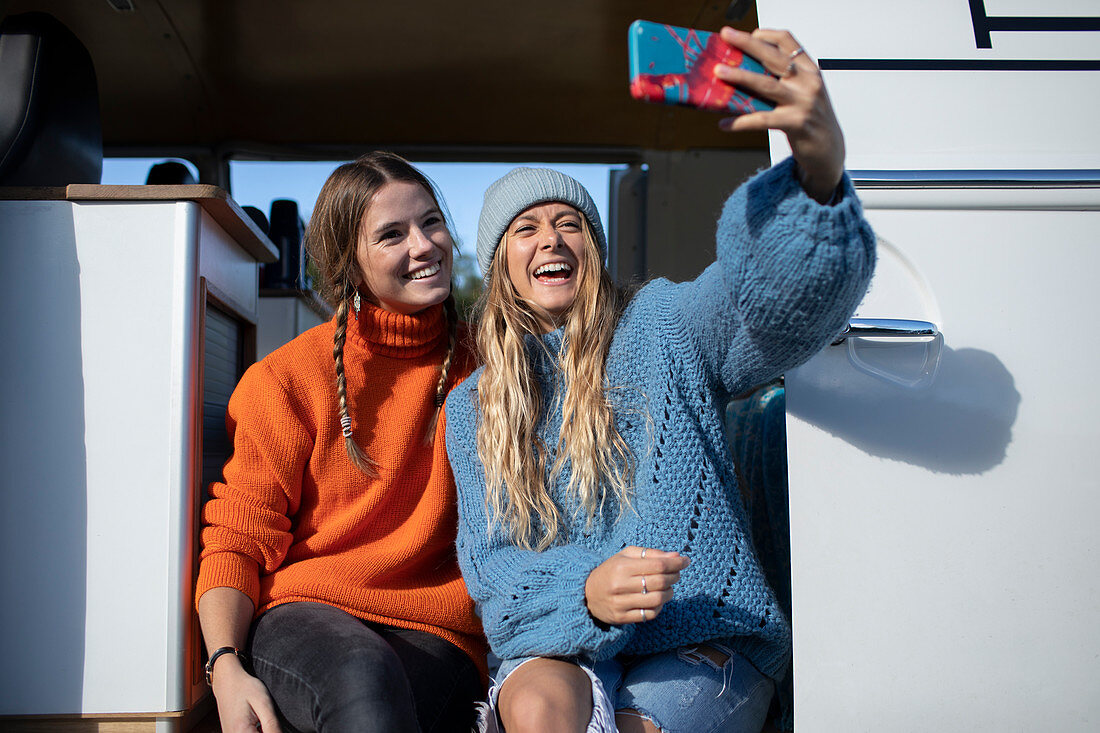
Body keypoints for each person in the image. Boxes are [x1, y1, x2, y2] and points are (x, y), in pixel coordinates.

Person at [444, 28, 876, 733]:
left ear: (594, 246)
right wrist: (587, 591)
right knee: (534, 707)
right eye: (526, 228)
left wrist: (816, 177)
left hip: (701, 629)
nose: (551, 239)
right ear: (499, 266)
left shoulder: (662, 322)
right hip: (562, 632)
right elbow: (495, 577)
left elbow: (768, 299)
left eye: (569, 223)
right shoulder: (470, 408)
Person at [196, 152, 486, 733]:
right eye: (391, 235)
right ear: (349, 267)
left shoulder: (493, 363)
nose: (424, 245)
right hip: (305, 614)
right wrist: (225, 666)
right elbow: (239, 536)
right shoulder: (284, 380)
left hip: (437, 627)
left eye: (431, 222)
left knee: (381, 699)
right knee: (361, 677)